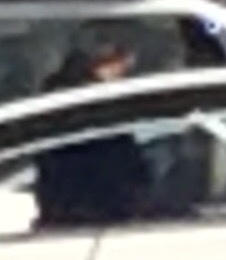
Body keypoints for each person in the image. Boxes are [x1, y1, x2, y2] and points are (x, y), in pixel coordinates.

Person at [32, 39, 150, 228]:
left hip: (65, 215)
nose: (126, 74)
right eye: (125, 66)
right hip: (90, 217)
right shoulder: (91, 106)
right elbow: (117, 169)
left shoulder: (56, 101)